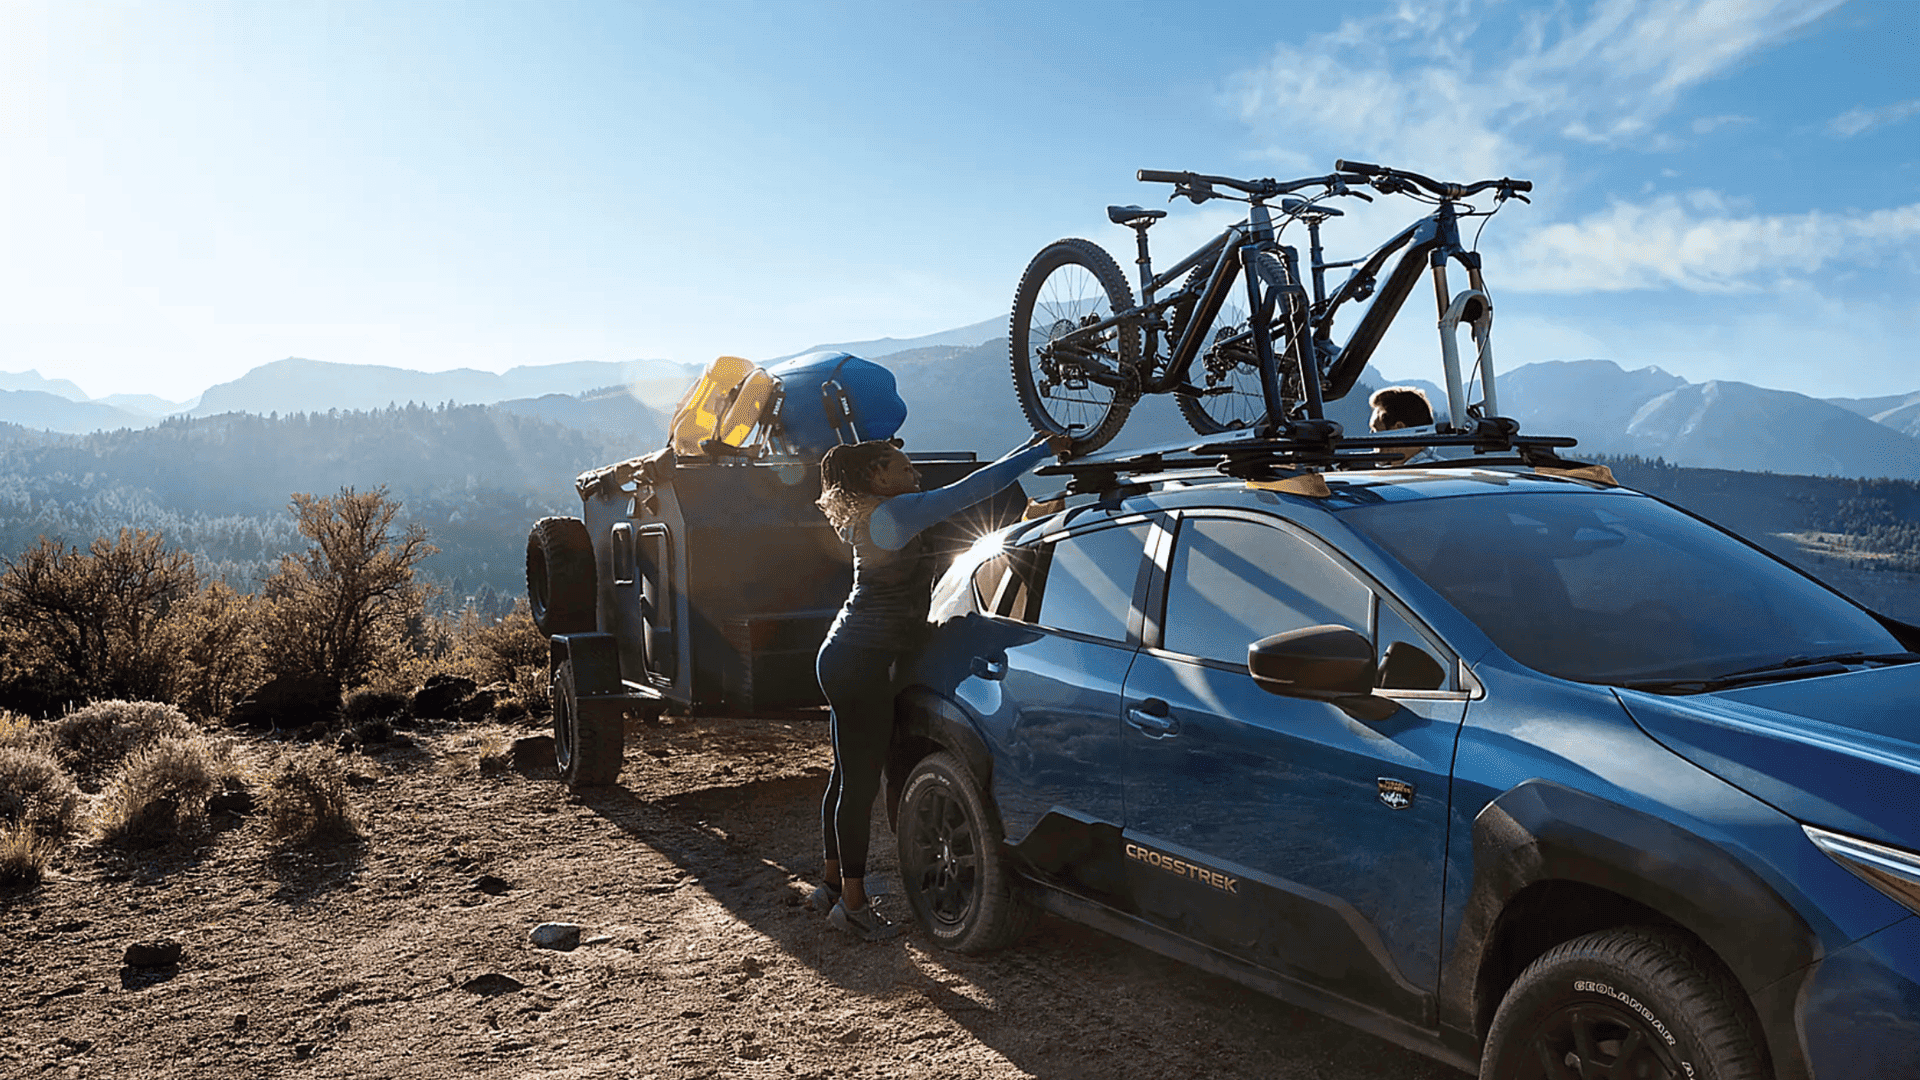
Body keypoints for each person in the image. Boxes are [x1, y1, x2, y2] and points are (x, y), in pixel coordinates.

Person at [810, 430, 1070, 940]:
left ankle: (831, 885)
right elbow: (972, 490)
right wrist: (1038, 452)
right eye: (903, 467)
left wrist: (1030, 444)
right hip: (860, 661)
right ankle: (854, 907)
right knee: (859, 784)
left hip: (843, 654)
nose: (913, 474)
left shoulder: (868, 516)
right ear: (878, 477)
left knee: (845, 776)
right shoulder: (893, 515)